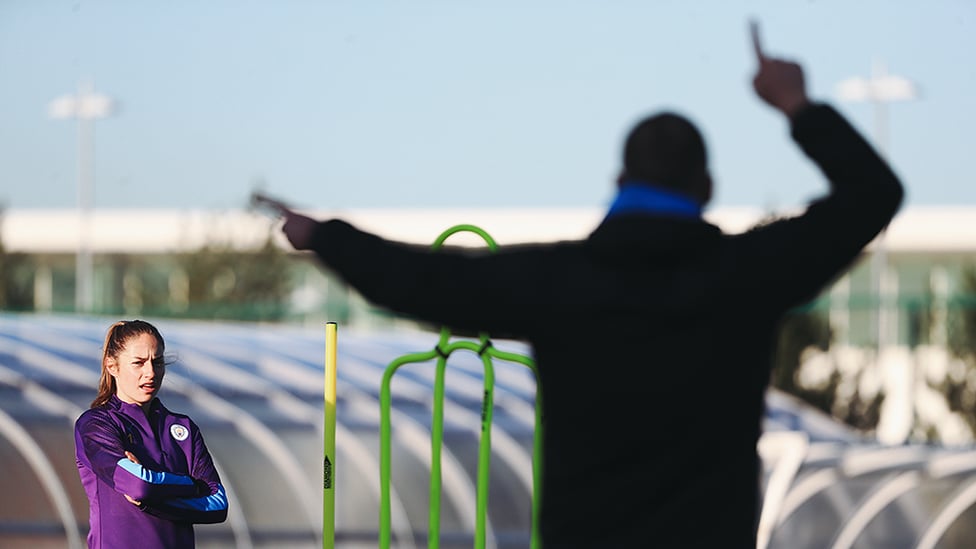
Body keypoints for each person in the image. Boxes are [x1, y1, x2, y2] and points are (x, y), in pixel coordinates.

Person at [277, 25, 904, 548]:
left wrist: (326, 236)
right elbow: (873, 195)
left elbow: (420, 279)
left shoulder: (557, 281)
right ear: (706, 189)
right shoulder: (746, 274)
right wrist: (798, 103)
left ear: (619, 178)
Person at [74, 320, 228, 549]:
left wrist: (151, 498)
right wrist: (192, 486)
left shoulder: (183, 428)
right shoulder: (97, 425)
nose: (150, 372)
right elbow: (138, 484)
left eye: (157, 362)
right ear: (112, 366)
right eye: (138, 363)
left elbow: (218, 504)